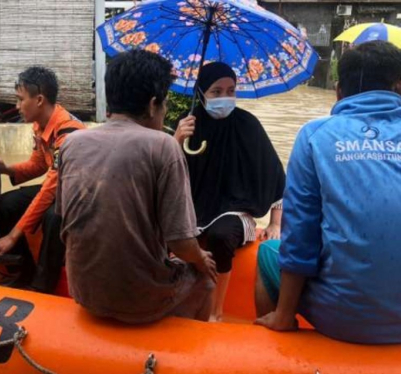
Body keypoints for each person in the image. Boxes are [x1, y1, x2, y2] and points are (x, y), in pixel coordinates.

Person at [255, 41, 401, 344]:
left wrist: (285, 314)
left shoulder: (316, 135)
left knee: (267, 252)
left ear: (338, 90)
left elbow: (300, 234)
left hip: (342, 320)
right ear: (398, 88)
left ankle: (280, 333)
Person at [56, 50, 217, 324]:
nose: (165, 112)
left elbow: (63, 217)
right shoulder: (164, 145)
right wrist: (201, 258)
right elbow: (181, 243)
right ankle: (193, 348)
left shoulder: (72, 143)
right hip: (138, 301)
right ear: (153, 105)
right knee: (206, 278)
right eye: (164, 104)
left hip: (83, 292)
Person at [174, 62, 285, 321]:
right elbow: (164, 172)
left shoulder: (248, 125)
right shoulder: (188, 126)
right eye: (216, 92)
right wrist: (177, 139)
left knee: (221, 234)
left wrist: (275, 223)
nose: (224, 98)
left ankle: (216, 311)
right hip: (192, 208)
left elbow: (274, 175)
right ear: (201, 94)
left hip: (235, 209)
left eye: (230, 91)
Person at [0, 66, 85, 293]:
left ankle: (42, 285)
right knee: (3, 205)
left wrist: (13, 235)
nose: (17, 106)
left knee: (53, 216)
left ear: (39, 100)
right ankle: (22, 271)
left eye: (20, 100)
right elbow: (38, 165)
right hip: (59, 189)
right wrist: (6, 169)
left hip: (80, 194)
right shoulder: (40, 126)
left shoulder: (68, 131)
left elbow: (49, 190)